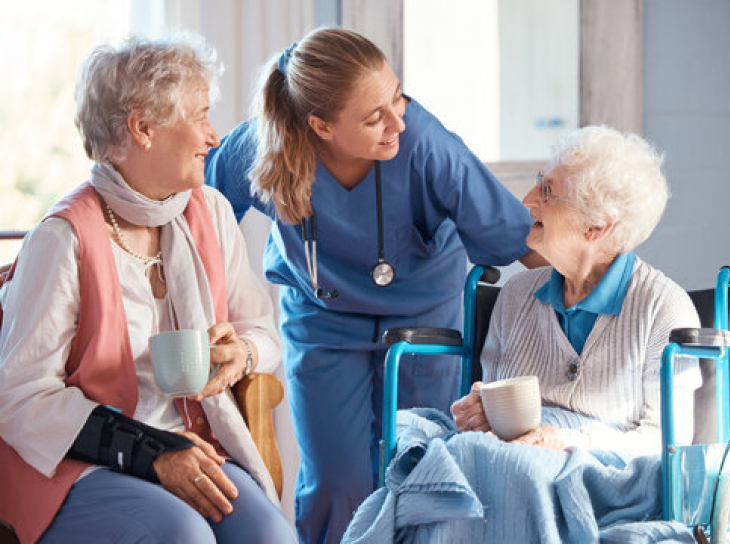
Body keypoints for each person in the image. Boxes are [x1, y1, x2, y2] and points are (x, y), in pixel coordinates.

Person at [205, 26, 542, 543]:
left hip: (425, 321)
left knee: (419, 471)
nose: (397, 120)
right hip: (322, 317)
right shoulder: (260, 145)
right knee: (336, 483)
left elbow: (513, 238)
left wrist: (604, 269)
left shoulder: (426, 144)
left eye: (397, 96)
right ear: (320, 125)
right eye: (373, 116)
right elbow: (197, 218)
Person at [0, 36, 295, 543]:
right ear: (142, 128)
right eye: (200, 115)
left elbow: (264, 332)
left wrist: (240, 353)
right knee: (183, 535)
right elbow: (22, 398)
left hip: (190, 446)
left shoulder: (210, 212)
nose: (213, 134)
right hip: (80, 465)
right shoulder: (62, 238)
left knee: (269, 536)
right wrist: (149, 451)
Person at [451, 125, 702, 457]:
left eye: (548, 191)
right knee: (414, 433)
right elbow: (493, 425)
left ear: (596, 226)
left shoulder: (664, 309)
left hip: (606, 484)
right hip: (510, 464)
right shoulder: (515, 295)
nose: (527, 200)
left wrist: (571, 443)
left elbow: (667, 443)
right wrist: (481, 411)